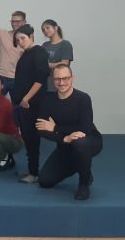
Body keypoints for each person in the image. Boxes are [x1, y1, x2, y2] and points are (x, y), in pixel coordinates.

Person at [36, 65, 102, 200]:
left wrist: (55, 128)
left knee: (80, 143)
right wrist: (64, 139)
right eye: (58, 79)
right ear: (53, 80)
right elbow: (41, 129)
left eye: (65, 78)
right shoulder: (48, 100)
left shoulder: (83, 98)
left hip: (89, 141)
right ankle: (82, 164)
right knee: (45, 181)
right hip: (65, 144)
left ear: (72, 78)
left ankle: (84, 183)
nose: (61, 83)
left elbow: (84, 129)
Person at [12, 24, 49, 184]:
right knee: (28, 137)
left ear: (31, 36)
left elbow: (41, 79)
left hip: (33, 104)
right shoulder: (26, 54)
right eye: (18, 40)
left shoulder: (39, 52)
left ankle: (34, 173)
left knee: (32, 138)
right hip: (24, 104)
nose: (20, 42)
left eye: (23, 38)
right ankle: (32, 171)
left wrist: (26, 98)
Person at [41, 19, 73, 92]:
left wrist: (48, 65)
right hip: (45, 83)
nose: (45, 31)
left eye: (47, 28)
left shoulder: (65, 44)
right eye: (43, 30)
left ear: (55, 28)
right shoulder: (44, 45)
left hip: (60, 82)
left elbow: (65, 63)